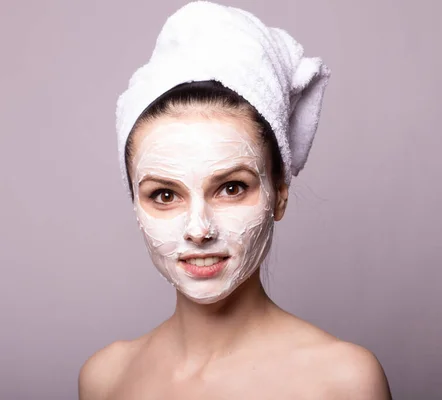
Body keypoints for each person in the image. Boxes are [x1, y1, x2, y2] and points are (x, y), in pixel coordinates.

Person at [79, 2, 391, 399]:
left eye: (231, 188)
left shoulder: (344, 380)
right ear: (135, 204)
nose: (199, 229)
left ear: (279, 193)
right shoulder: (104, 378)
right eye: (165, 194)